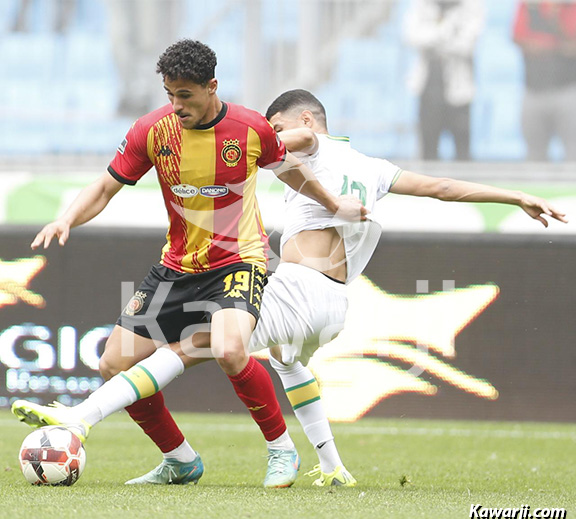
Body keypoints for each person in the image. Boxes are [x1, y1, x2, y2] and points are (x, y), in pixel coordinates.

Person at [12, 89, 568, 488]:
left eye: (279, 126)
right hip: (335, 307)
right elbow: (443, 187)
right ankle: (331, 465)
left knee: (197, 345)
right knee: (288, 361)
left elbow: (288, 139)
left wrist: (263, 136)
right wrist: (515, 196)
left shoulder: (308, 143)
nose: (273, 137)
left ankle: (81, 418)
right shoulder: (377, 168)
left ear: (304, 119)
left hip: (300, 287)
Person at [11, 43, 367, 490]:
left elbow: (291, 168)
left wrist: (334, 204)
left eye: (185, 95)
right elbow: (105, 187)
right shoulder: (152, 131)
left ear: (211, 87)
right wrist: (66, 219)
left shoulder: (249, 129)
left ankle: (281, 450)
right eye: (169, 94)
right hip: (176, 268)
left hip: (238, 262)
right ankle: (179, 459)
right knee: (113, 364)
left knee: (230, 349)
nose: (176, 105)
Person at [403, 0, 484, 160]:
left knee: (462, 153)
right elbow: (411, 36)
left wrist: (434, 36)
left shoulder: (471, 6)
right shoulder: (422, 5)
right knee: (428, 150)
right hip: (428, 88)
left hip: (459, 91)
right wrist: (446, 32)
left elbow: (467, 44)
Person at [513, 0, 576, 161]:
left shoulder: (571, 7)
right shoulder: (530, 5)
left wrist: (555, 17)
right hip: (534, 90)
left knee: (573, 153)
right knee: (534, 155)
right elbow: (519, 38)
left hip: (567, 90)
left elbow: (572, 44)